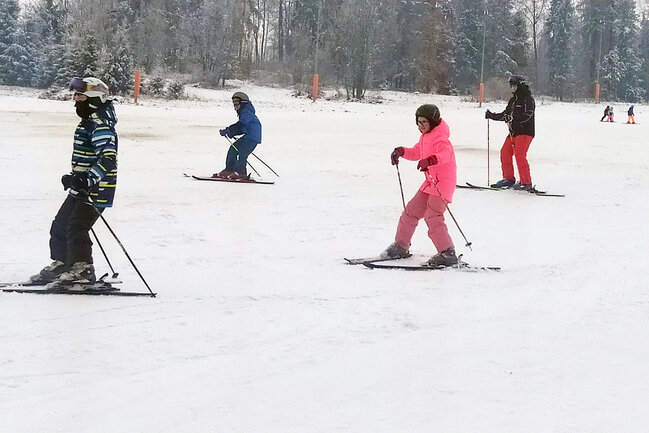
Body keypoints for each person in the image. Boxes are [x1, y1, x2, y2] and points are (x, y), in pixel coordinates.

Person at [31, 77, 118, 286]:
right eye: (76, 96)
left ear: (94, 99)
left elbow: (108, 159)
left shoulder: (100, 125)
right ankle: (63, 263)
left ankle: (82, 269)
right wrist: (74, 178)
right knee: (60, 225)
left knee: (77, 227)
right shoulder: (88, 122)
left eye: (80, 96)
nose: (76, 100)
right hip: (82, 188)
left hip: (97, 189)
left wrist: (86, 179)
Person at [384, 104, 458, 267]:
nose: (421, 126)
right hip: (431, 182)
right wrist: (401, 151)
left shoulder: (440, 137)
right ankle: (401, 246)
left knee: (433, 215)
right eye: (419, 122)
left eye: (425, 122)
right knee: (410, 212)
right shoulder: (426, 137)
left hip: (443, 183)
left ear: (433, 121)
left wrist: (431, 160)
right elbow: (416, 152)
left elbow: (446, 154)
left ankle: (447, 252)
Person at [485, 75, 536, 191]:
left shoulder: (528, 99)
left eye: (514, 86)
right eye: (511, 86)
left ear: (520, 86)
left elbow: (528, 115)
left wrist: (513, 118)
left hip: (525, 132)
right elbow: (505, 115)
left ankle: (526, 182)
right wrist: (492, 116)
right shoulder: (513, 101)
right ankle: (508, 178)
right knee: (505, 152)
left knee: (520, 155)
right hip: (513, 132)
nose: (512, 88)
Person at [213, 92, 262, 180]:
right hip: (248, 135)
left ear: (243, 102)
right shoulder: (243, 112)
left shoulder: (247, 111)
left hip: (252, 137)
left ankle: (241, 173)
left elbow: (241, 125)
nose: (235, 105)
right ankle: (229, 170)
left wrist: (229, 131)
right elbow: (242, 128)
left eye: (236, 102)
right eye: (234, 103)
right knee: (233, 149)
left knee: (242, 153)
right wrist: (230, 132)